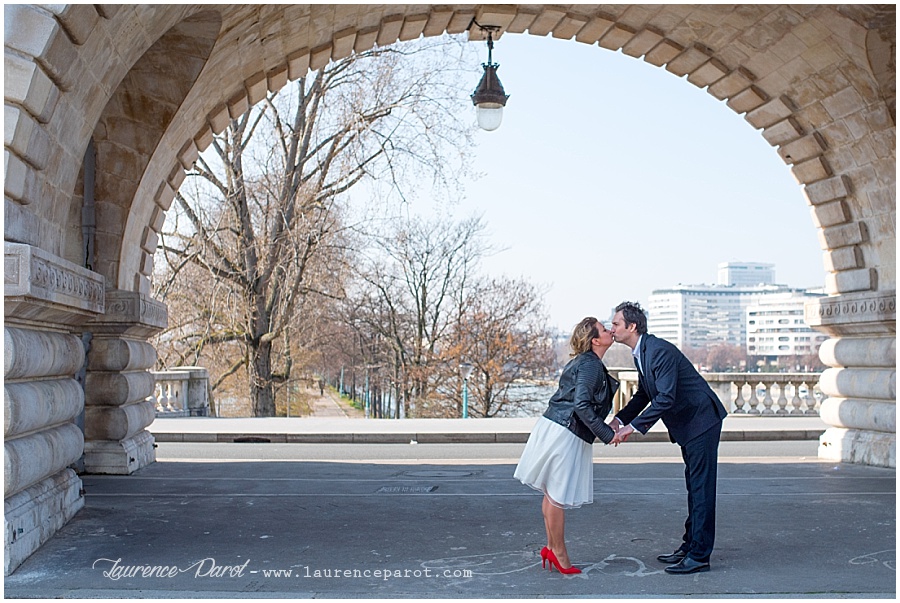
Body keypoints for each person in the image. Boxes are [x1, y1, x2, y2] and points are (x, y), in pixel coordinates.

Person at [609, 301, 728, 575]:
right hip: (690, 424)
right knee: (694, 487)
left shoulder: (658, 351)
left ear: (632, 326)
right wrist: (619, 419)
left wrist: (633, 428)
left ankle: (699, 555)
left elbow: (665, 397)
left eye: (616, 323)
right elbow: (643, 394)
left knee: (701, 489)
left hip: (701, 421)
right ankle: (690, 546)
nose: (611, 328)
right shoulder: (642, 352)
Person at [514, 317, 619, 575]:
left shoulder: (586, 362)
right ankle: (559, 553)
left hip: (558, 427)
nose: (610, 331)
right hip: (566, 431)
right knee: (557, 496)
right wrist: (607, 433)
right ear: (595, 340)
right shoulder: (591, 365)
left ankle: (551, 547)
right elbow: (582, 405)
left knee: (552, 495)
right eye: (605, 330)